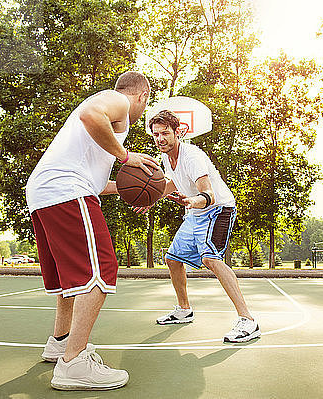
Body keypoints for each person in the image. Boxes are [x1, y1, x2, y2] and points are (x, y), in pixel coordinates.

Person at [25, 71, 158, 391]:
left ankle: (60, 343)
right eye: (146, 102)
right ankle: (73, 364)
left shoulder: (100, 132)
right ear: (142, 96)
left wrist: (152, 190)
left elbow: (98, 184)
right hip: (66, 189)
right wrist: (126, 156)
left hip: (45, 192)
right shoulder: (119, 102)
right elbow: (89, 114)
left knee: (69, 279)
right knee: (102, 268)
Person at [145, 110, 260, 343]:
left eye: (165, 133)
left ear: (178, 132)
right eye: (156, 134)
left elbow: (208, 194)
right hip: (196, 212)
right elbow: (173, 182)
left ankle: (248, 320)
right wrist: (151, 198)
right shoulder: (167, 156)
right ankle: (184, 309)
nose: (160, 139)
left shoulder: (192, 156)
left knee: (211, 259)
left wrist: (191, 201)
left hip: (218, 209)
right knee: (172, 259)